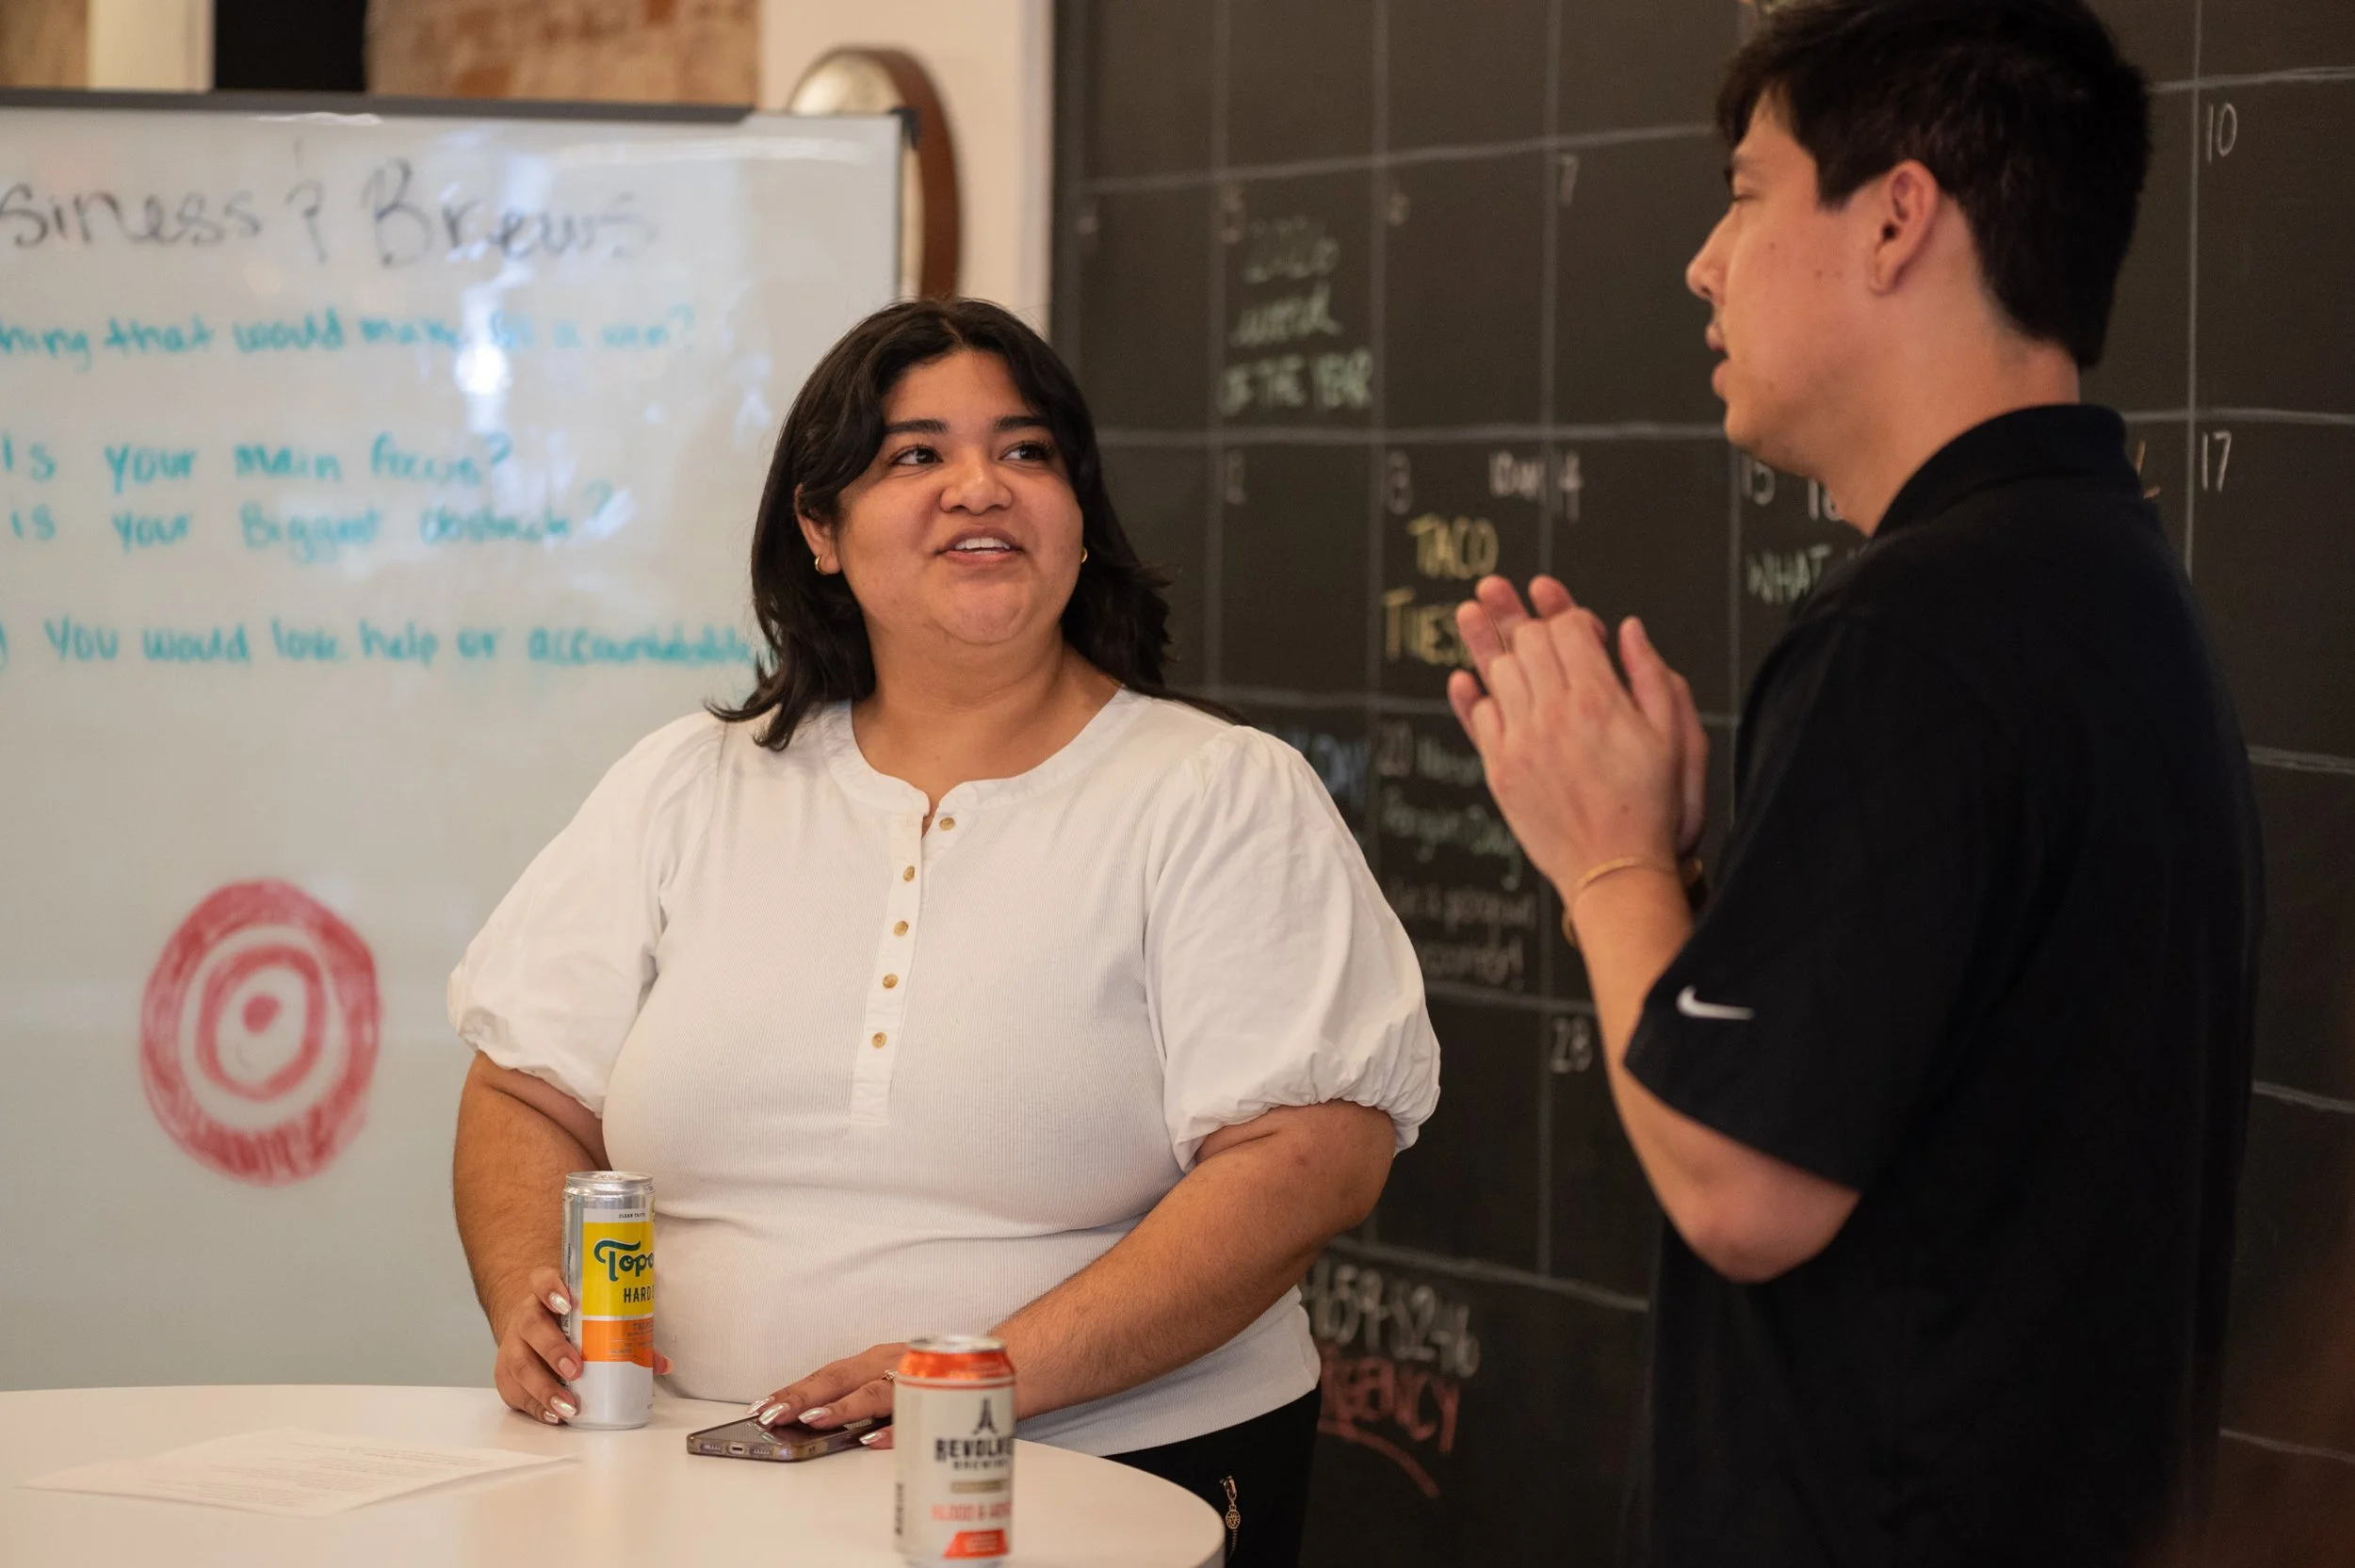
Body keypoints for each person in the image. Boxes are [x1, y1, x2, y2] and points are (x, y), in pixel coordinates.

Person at [1444, 2, 2261, 1563]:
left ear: (1896, 217)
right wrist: (1690, 885)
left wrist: (1609, 863)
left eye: (1748, 193)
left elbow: (1744, 1185)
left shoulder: (1920, 627)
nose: (1703, 260)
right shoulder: (2102, 579)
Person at [447, 298, 1440, 1567]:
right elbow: (525, 1090)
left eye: (1026, 453)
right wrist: (531, 1284)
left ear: (1080, 518)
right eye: (916, 456)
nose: (982, 486)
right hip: (690, 1477)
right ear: (819, 528)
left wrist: (986, 1375)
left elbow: (1312, 1157)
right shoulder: (688, 783)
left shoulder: (1218, 793)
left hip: (1100, 1480)